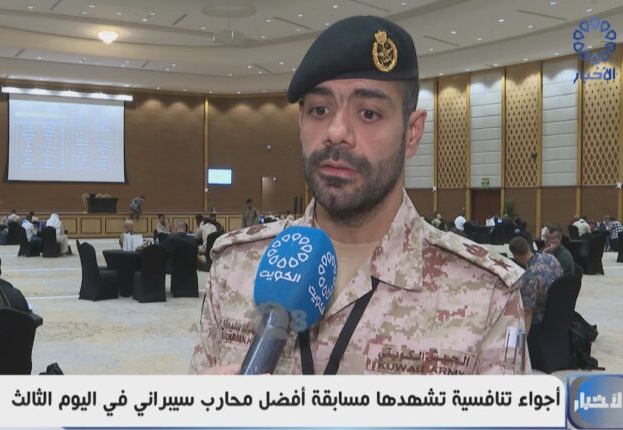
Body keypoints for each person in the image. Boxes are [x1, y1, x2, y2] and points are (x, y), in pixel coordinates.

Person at [190, 16, 528, 375]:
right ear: (301, 120)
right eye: (320, 110)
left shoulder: (486, 293)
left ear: (412, 133)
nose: (336, 132)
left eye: (368, 113)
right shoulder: (236, 265)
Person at [508, 237, 563, 331]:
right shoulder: (551, 258)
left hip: (541, 318)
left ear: (515, 255)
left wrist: (522, 338)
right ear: (528, 247)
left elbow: (527, 313)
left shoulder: (529, 277)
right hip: (560, 310)